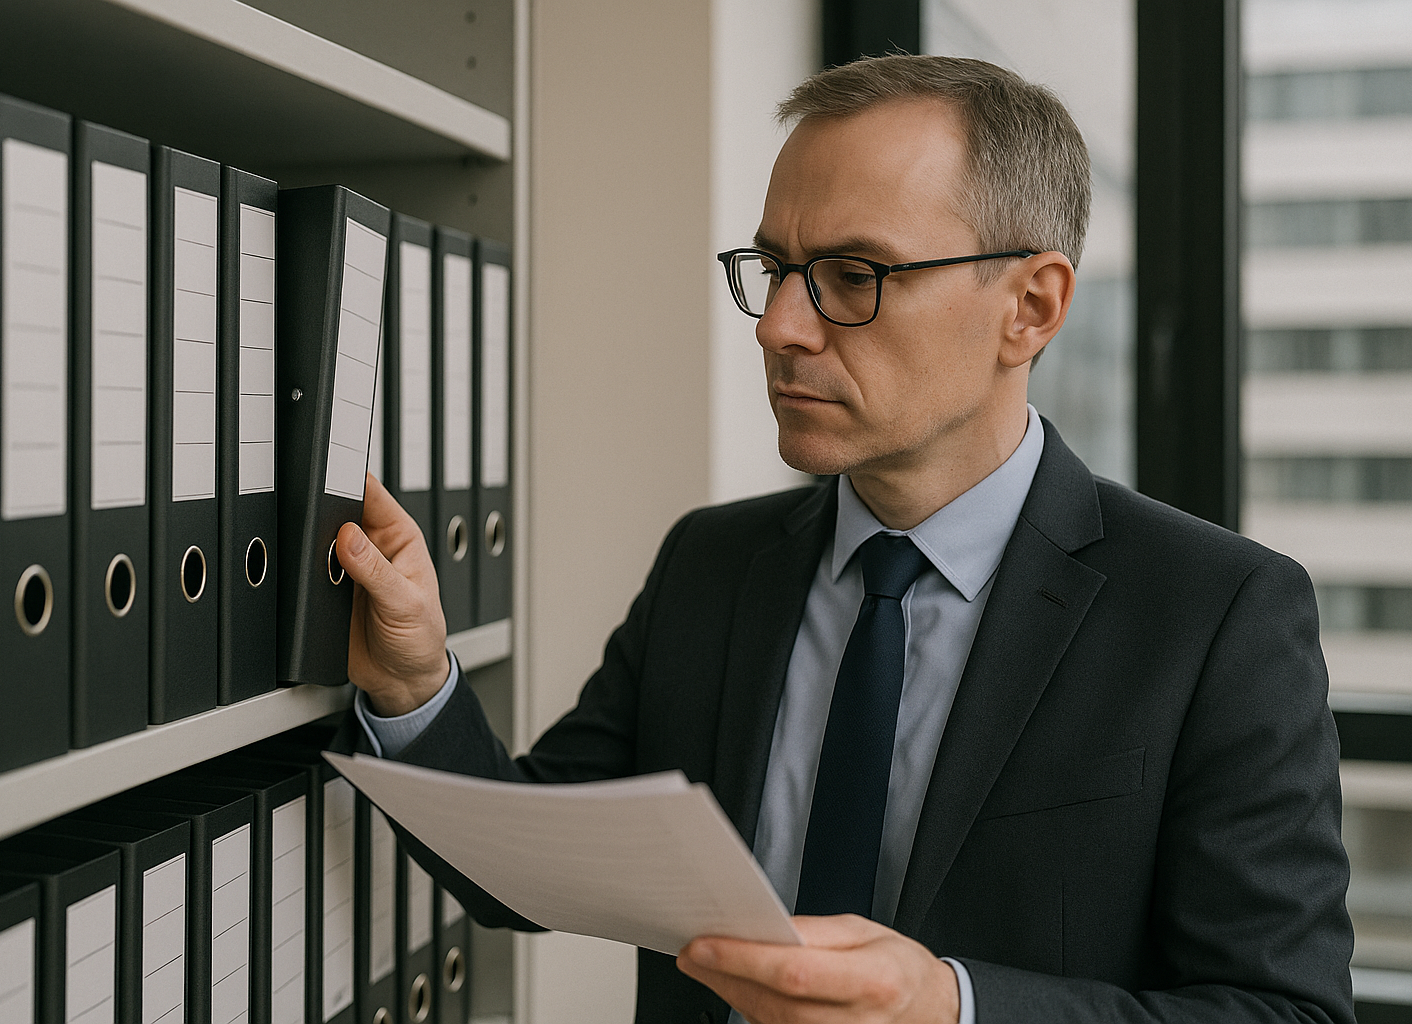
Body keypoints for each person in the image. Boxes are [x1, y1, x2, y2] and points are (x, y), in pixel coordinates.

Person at [333, 54, 1353, 1024]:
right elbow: (535, 863)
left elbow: (1281, 1006)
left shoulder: (1215, 613)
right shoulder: (714, 564)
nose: (780, 325)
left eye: (853, 274)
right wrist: (418, 686)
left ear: (1031, 308)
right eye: (773, 267)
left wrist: (950, 1004)